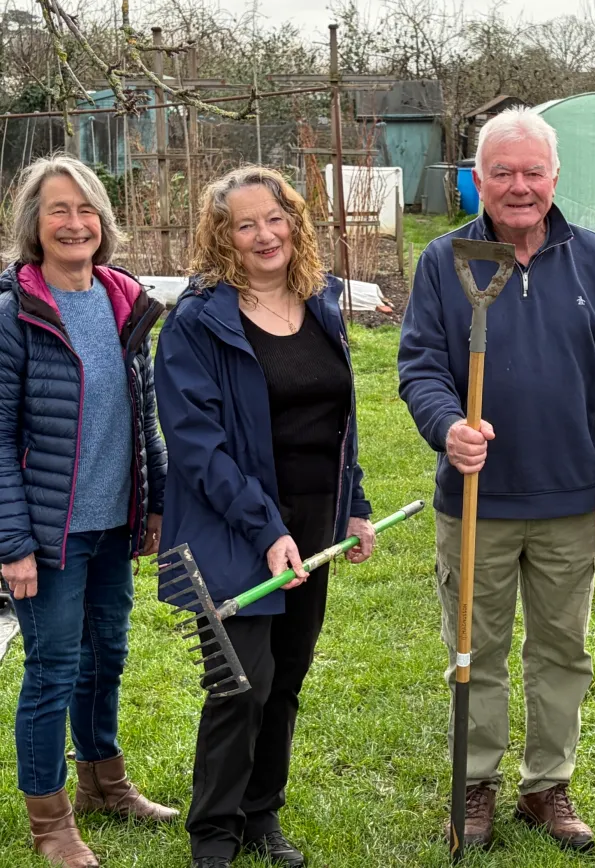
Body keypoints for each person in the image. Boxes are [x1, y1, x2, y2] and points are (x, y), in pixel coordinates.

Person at [398, 106, 595, 851]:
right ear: (477, 178)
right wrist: (448, 427)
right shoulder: (446, 262)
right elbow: (418, 367)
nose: (518, 186)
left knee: (562, 651)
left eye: (532, 172)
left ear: (555, 178)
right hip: (478, 500)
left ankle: (548, 787)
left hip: (570, 498)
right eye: (501, 172)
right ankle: (474, 786)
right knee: (476, 650)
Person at [154, 166, 376, 868]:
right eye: (244, 224)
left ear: (294, 222)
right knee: (238, 684)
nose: (263, 234)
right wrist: (264, 528)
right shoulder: (198, 322)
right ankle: (213, 834)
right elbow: (198, 445)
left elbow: (341, 423)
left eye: (274, 218)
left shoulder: (321, 308)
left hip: (311, 520)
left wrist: (355, 508)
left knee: (285, 678)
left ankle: (260, 815)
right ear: (222, 234)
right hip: (232, 523)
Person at [0, 154, 176, 868]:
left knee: (108, 656)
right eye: (57, 211)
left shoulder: (122, 299)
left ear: (103, 222)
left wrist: (156, 502)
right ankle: (51, 825)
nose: (75, 223)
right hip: (49, 532)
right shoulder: (14, 313)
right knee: (52, 668)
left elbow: (144, 414)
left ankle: (105, 782)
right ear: (32, 226)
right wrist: (12, 543)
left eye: (86, 210)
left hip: (114, 521)